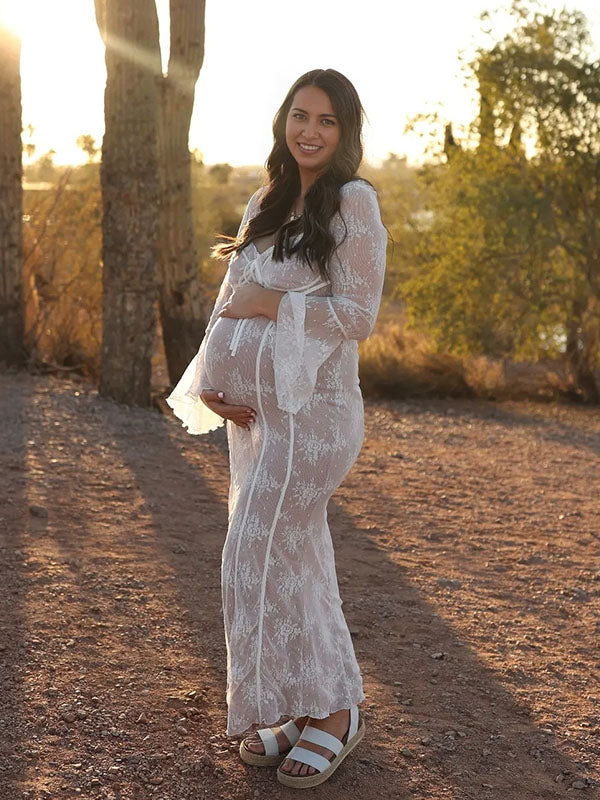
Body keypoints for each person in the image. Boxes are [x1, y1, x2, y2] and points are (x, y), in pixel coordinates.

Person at [166, 67, 388, 789]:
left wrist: (270, 304)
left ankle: (337, 711)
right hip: (258, 420)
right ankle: (313, 706)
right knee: (298, 558)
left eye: (326, 120)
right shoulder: (264, 201)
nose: (310, 131)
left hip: (314, 418)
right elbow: (227, 301)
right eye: (300, 115)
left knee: (254, 552)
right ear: (283, 120)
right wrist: (213, 381)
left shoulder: (353, 202)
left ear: (344, 132)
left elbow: (357, 315)